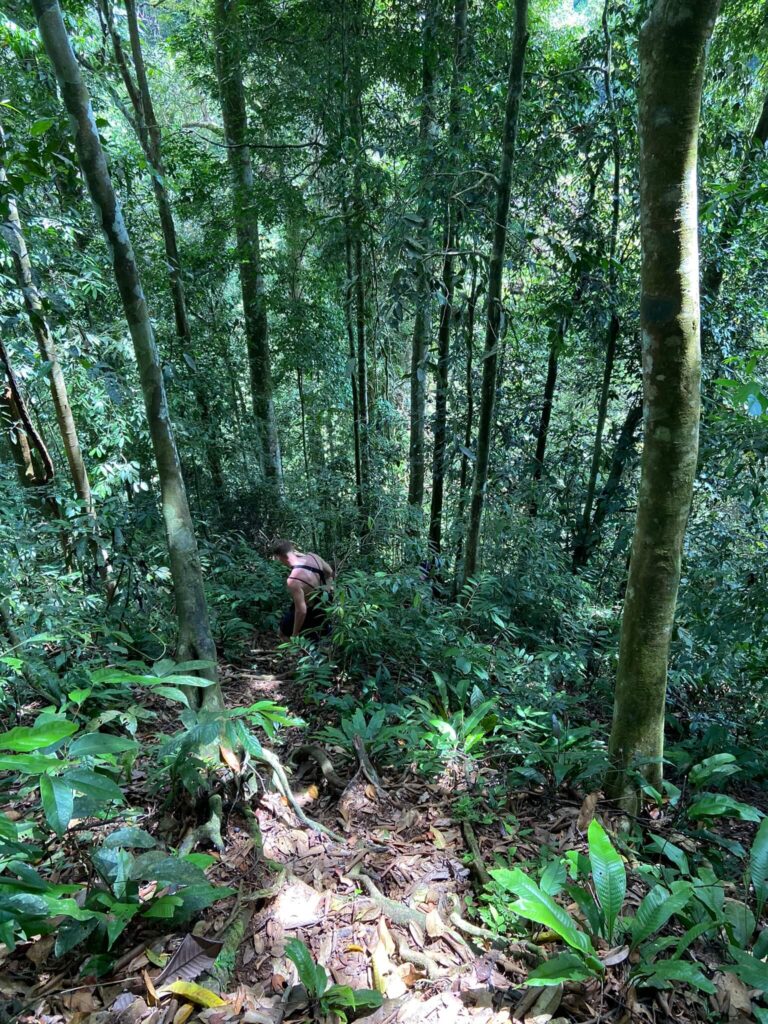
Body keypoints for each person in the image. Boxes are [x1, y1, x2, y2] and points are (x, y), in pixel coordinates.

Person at [270, 539, 334, 640]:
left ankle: (295, 651)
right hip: (324, 604)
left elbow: (301, 611)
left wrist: (295, 635)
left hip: (310, 610)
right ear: (293, 549)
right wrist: (326, 590)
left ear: (280, 557)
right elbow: (330, 572)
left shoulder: (293, 580)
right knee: (321, 636)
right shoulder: (314, 556)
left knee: (282, 634)